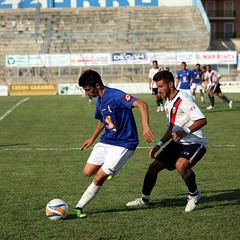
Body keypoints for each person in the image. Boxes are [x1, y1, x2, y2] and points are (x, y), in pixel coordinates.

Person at [75, 69, 154, 217]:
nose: (86, 93)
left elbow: (142, 104)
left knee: (99, 177)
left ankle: (79, 207)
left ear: (97, 85)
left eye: (88, 89)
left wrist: (145, 127)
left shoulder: (116, 95)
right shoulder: (99, 100)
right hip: (106, 141)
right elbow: (102, 120)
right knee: (88, 172)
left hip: (124, 143)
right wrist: (92, 138)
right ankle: (112, 169)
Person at [126, 70, 208, 212]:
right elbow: (171, 128)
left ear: (170, 84)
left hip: (196, 142)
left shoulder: (184, 98)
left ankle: (195, 195)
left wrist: (185, 131)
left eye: (161, 87)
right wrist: (159, 145)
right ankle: (144, 199)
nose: (159, 90)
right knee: (153, 168)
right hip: (177, 143)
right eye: (157, 87)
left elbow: (202, 120)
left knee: (181, 165)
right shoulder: (168, 103)